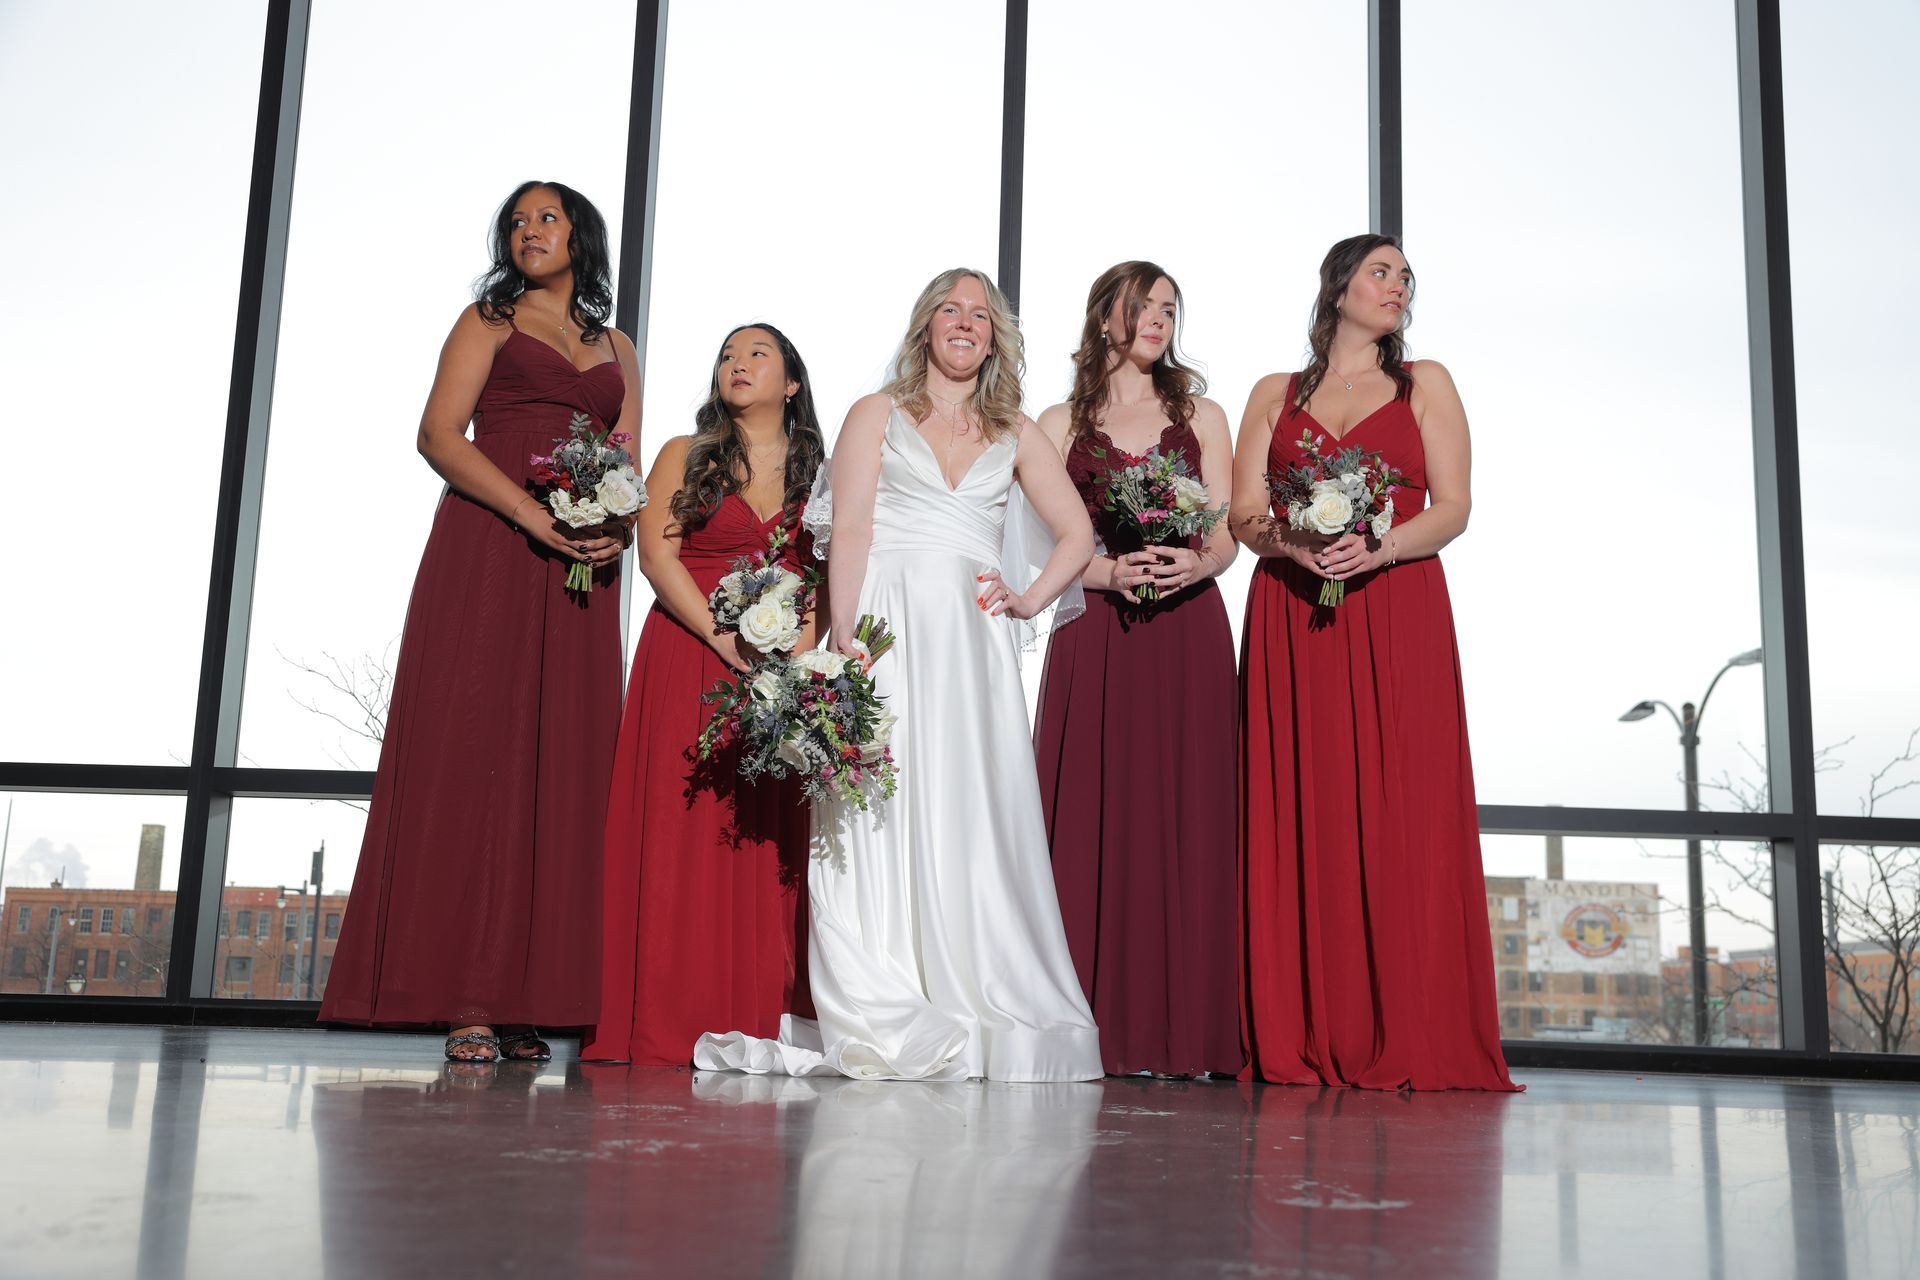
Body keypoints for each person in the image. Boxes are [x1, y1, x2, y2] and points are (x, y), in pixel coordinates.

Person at [694, 268, 1104, 1082]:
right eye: (949, 309)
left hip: (973, 642)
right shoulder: (874, 415)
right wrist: (844, 639)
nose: (965, 323)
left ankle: (980, 978)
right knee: (875, 802)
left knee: (969, 803)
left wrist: (1026, 601)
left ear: (994, 337)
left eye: (980, 316)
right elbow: (846, 527)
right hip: (881, 627)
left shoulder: (1019, 432)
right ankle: (882, 986)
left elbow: (1078, 534)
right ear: (925, 327)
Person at [321, 181, 637, 1063]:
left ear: (582, 234)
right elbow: (438, 435)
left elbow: (627, 457)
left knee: (564, 771)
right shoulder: (487, 322)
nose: (528, 230)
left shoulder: (617, 344)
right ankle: (468, 997)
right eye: (516, 220)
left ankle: (530, 996)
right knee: (478, 756)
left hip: (583, 571)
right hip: (491, 549)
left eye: (547, 217)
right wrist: (536, 517)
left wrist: (612, 524)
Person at [1230, 233, 1517, 1091]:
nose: (1397, 287)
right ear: (1338, 287)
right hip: (1293, 611)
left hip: (1397, 610)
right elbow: (1245, 514)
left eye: (1405, 278)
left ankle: (1408, 1024)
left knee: (1402, 806)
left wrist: (1377, 548)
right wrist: (1297, 542)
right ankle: (1299, 1024)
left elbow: (1456, 507)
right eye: (1380, 272)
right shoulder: (1273, 393)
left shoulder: (1426, 383)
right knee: (1302, 808)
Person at [583, 323, 825, 1064]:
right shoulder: (684, 457)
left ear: (791, 383)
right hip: (686, 657)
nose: (737, 364)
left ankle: (753, 1011)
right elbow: (657, 553)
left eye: (757, 354)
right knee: (680, 829)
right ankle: (666, 1011)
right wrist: (726, 642)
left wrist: (796, 664)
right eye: (727, 355)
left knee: (760, 841)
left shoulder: (823, 472)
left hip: (774, 675)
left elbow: (826, 572)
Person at [1031, 261, 1242, 1078]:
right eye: (1144, 304)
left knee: (1186, 814)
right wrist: (1106, 574)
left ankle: (1186, 1030)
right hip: (1097, 629)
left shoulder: (1204, 415)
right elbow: (1035, 544)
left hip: (1186, 631)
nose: (1159, 318)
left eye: (1169, 308)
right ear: (1104, 316)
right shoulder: (1054, 422)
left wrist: (1197, 565)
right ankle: (1087, 1026)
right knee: (1090, 813)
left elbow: (1221, 535)